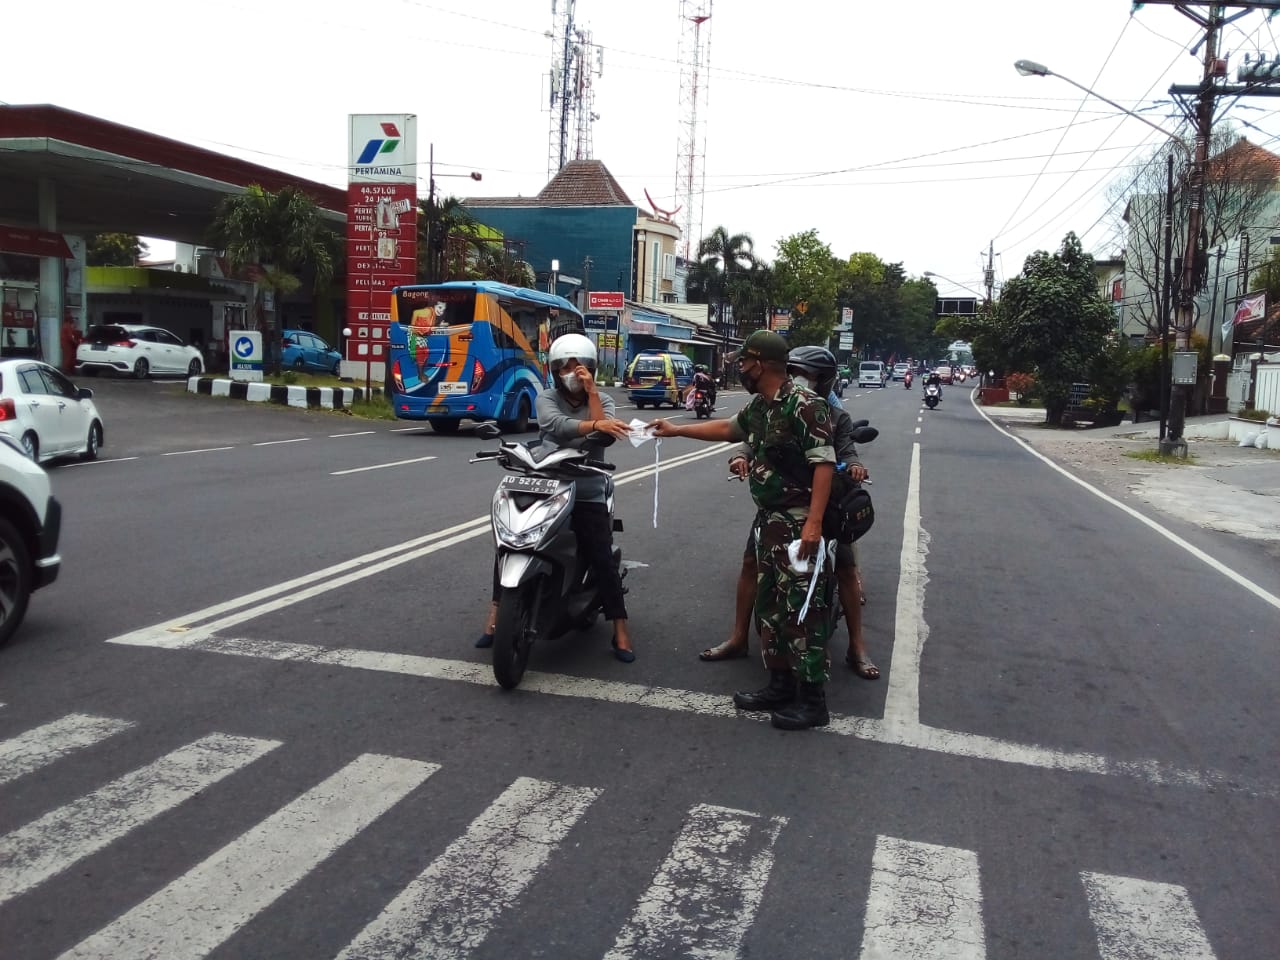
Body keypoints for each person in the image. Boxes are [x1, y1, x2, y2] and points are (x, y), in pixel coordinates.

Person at [651, 330, 836, 730]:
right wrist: (676, 429)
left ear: (763, 364)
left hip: (797, 520)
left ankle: (812, 699)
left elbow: (823, 463)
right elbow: (728, 429)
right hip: (769, 521)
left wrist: (814, 524)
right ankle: (780, 682)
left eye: (745, 362)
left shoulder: (805, 405)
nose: (741, 368)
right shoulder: (761, 407)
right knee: (769, 606)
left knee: (802, 609)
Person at [699, 346, 877, 680]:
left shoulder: (834, 416)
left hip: (823, 508)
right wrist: (740, 456)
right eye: (796, 372)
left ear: (822, 380)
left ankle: (857, 647)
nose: (800, 380)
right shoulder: (771, 406)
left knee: (846, 569)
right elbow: (748, 436)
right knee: (751, 565)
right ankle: (739, 637)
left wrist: (853, 467)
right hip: (776, 513)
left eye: (807, 375)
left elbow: (842, 454)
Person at [476, 332, 637, 662]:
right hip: (547, 482)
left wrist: (592, 392)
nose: (572, 372)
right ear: (553, 369)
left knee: (601, 555)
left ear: (591, 368)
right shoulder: (545, 397)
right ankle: (495, 614)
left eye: (579, 367)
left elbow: (603, 438)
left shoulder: (603, 399)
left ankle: (620, 627)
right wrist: (595, 426)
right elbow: (556, 425)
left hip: (588, 486)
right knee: (512, 540)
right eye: (564, 366)